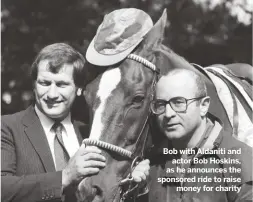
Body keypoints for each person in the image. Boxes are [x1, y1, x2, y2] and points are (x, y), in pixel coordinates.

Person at [1, 43, 149, 202]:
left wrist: (132, 184)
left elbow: (103, 192)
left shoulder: (92, 134)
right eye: (44, 83)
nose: (52, 94)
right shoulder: (7, 127)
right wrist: (65, 176)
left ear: (79, 89)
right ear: (34, 86)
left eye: (61, 84)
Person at [145, 68, 253, 202]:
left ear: (203, 106)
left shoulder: (241, 161)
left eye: (178, 103)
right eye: (161, 104)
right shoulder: (151, 163)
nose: (168, 114)